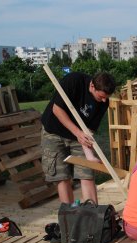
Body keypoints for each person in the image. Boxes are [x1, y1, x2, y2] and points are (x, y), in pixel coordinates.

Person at [41, 71, 116, 204]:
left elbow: (88, 131)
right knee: (62, 176)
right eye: (101, 96)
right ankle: (69, 214)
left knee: (86, 174)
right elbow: (57, 110)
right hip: (54, 131)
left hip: (79, 135)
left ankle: (92, 213)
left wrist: (89, 156)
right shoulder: (73, 81)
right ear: (92, 86)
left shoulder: (104, 102)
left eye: (106, 97)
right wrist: (78, 133)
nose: (104, 100)